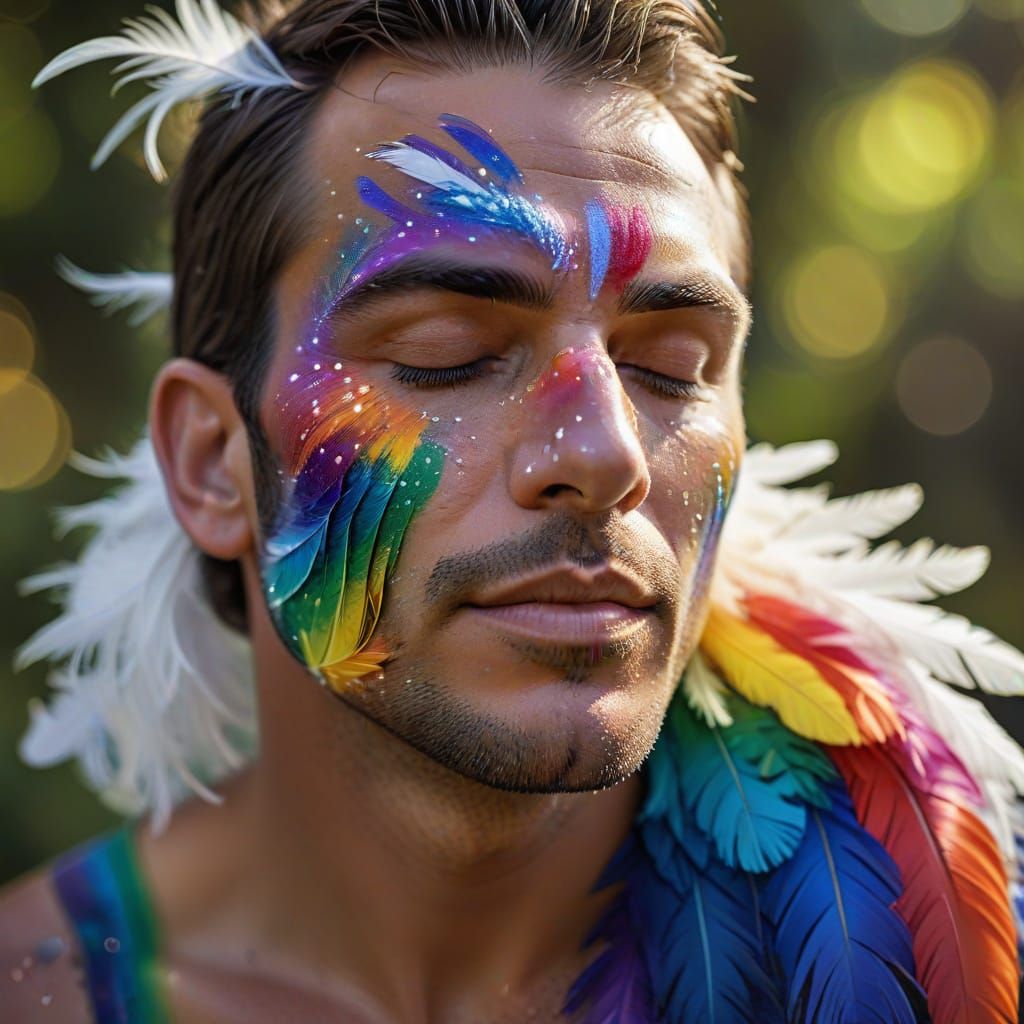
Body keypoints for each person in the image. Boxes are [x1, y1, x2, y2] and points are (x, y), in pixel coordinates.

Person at [3, 1, 1023, 1021]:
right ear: (211, 462)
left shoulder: (935, 963)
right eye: (447, 354)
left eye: (670, 370)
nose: (606, 450)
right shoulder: (34, 990)